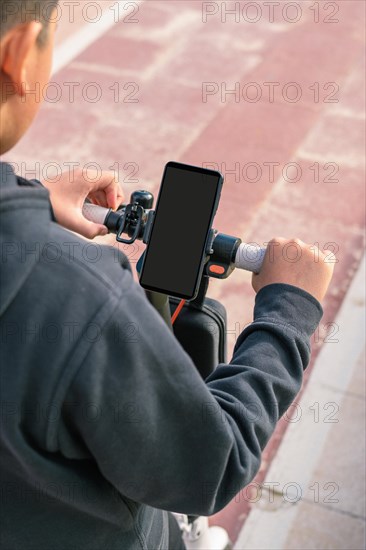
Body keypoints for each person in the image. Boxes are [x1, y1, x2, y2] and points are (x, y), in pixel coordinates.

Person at [0, 1, 334, 549]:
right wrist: (289, 310)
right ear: (18, 55)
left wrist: (28, 201)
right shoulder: (77, 298)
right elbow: (211, 465)